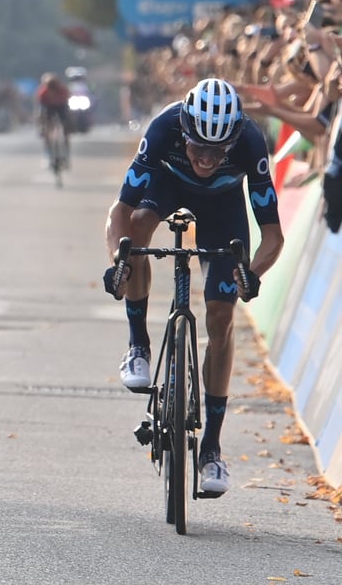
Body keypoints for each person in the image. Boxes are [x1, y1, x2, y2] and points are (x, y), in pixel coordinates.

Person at [103, 77, 283, 496]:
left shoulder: (250, 142)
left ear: (233, 140)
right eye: (198, 147)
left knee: (220, 319)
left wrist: (251, 274)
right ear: (185, 130)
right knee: (138, 231)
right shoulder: (164, 127)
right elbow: (119, 212)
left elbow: (272, 236)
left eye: (217, 151)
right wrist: (118, 260)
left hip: (223, 205)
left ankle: (212, 450)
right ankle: (138, 346)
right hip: (167, 187)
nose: (206, 158)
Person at [35, 71, 71, 149]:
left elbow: (67, 99)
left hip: (60, 105)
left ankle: (67, 134)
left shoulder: (62, 90)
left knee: (67, 118)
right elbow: (40, 102)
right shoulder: (43, 92)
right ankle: (43, 129)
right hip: (48, 106)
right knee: (41, 114)